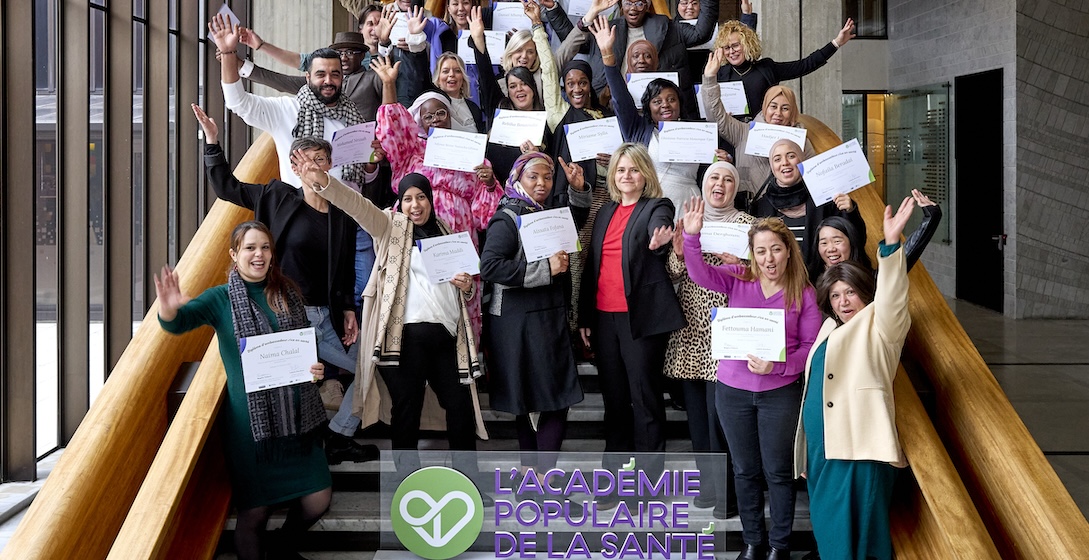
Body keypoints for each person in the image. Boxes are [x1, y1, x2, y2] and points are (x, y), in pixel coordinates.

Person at [294, 153, 490, 497]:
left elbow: (471, 286)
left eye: (421, 197)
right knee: (407, 408)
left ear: (430, 200)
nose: (415, 205)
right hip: (404, 338)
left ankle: (467, 482)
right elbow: (357, 205)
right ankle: (409, 486)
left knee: (459, 407)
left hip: (447, 337)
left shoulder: (449, 234)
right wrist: (323, 182)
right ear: (400, 203)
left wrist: (468, 285)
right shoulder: (390, 227)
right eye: (408, 198)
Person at [193, 105, 380, 466]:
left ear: (330, 165)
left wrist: (346, 310)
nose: (313, 166)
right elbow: (226, 187)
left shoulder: (343, 213)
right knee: (289, 390)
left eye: (320, 159)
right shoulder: (276, 197)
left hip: (324, 319)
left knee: (372, 367)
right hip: (285, 316)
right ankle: (297, 458)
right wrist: (212, 142)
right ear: (295, 167)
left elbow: (342, 270)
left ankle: (338, 434)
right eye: (306, 160)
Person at [155, 221, 331, 560]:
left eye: (265, 247)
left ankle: (281, 549)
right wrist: (169, 307)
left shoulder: (287, 293)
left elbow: (303, 349)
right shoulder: (220, 299)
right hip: (251, 430)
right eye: (250, 248)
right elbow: (178, 323)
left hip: (299, 424)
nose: (259, 254)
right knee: (255, 513)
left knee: (318, 498)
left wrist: (316, 369)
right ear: (235, 254)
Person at [680, 211, 822, 560]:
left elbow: (812, 348)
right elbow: (699, 274)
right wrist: (691, 238)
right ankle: (754, 542)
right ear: (752, 254)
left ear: (789, 250)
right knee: (744, 470)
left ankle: (779, 546)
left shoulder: (802, 293)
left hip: (780, 393)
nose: (769, 258)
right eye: (761, 251)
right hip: (732, 391)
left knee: (777, 472)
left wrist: (780, 365)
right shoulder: (738, 278)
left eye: (776, 249)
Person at [795, 196, 917, 560]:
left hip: (860, 453)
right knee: (831, 539)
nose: (844, 301)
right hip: (823, 452)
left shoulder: (881, 327)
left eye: (850, 292)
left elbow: (893, 298)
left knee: (862, 543)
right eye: (835, 295)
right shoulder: (829, 327)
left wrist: (892, 246)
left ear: (866, 294)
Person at [577, 143, 685, 481]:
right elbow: (592, 265)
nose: (627, 175)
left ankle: (649, 482)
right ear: (613, 175)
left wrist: (659, 237)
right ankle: (616, 480)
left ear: (645, 175)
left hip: (639, 319)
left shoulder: (656, 205)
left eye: (634, 169)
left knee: (646, 401)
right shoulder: (605, 211)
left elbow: (661, 221)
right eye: (621, 170)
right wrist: (583, 317)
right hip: (604, 319)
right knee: (615, 403)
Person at [480, 152, 589, 484]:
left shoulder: (543, 212)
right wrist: (546, 269)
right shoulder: (508, 217)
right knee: (552, 399)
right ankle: (542, 479)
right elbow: (490, 267)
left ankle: (532, 480)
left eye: (546, 177)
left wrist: (579, 190)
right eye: (533, 177)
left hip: (544, 318)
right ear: (517, 180)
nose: (541, 183)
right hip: (520, 323)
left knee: (536, 400)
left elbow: (573, 224)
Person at [663, 162, 755, 519]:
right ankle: (708, 487)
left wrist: (743, 266)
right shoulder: (688, 223)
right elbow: (673, 274)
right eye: (714, 177)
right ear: (703, 184)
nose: (721, 183)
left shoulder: (750, 226)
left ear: (736, 187)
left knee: (724, 421)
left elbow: (762, 279)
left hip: (729, 336)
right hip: (690, 333)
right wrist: (677, 252)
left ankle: (730, 494)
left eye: (728, 178)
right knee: (699, 422)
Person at [208, 14, 371, 189]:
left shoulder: (353, 117)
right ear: (308, 78)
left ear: (342, 78)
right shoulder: (286, 110)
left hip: (347, 212)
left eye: (335, 74)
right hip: (301, 210)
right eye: (321, 74)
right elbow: (238, 103)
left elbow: (363, 177)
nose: (328, 81)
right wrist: (227, 54)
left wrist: (372, 163)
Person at [591, 17, 728, 219]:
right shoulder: (638, 129)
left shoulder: (698, 132)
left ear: (680, 104)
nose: (665, 104)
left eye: (671, 99)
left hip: (689, 208)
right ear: (648, 107)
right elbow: (620, 97)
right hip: (647, 210)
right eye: (657, 101)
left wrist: (724, 160)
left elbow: (714, 170)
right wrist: (607, 55)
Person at [541, 0, 719, 119]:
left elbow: (700, 34)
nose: (633, 8)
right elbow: (574, 39)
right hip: (611, 109)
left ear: (648, 4)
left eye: (639, 3)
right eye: (628, 2)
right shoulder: (608, 28)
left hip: (658, 112)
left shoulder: (668, 27)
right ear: (620, 4)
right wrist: (553, 9)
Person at [702, 50, 817, 194]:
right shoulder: (744, 132)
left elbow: (815, 178)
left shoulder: (801, 141)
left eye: (785, 108)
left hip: (790, 207)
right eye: (773, 107)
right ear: (764, 108)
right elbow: (716, 116)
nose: (778, 113)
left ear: (793, 112)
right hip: (751, 207)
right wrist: (710, 78)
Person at [711, 17, 857, 121]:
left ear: (747, 44)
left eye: (735, 45)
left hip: (765, 134)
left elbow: (805, 65)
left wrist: (836, 43)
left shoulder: (766, 68)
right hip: (731, 138)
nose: (731, 51)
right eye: (726, 48)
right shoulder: (719, 74)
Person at [750, 139, 864, 264]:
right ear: (772, 166)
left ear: (802, 160)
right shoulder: (761, 206)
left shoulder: (827, 198)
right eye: (777, 159)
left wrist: (850, 211)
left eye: (791, 156)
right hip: (778, 279)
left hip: (820, 280)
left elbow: (856, 241)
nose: (785, 163)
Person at [468, 5, 546, 182]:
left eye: (524, 84)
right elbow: (486, 76)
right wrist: (478, 39)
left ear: (534, 89)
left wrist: (537, 154)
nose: (518, 89)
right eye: (512, 86)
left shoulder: (544, 122)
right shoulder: (500, 108)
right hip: (495, 191)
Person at [808, 188, 943, 283]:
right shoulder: (811, 281)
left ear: (851, 242)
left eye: (837, 241)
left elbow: (895, 266)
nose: (830, 248)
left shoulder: (868, 281)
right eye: (824, 243)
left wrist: (931, 218)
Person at [432, 51, 487, 133]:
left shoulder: (474, 108)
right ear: (438, 78)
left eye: (457, 71)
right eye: (445, 71)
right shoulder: (432, 104)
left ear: (463, 77)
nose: (451, 74)